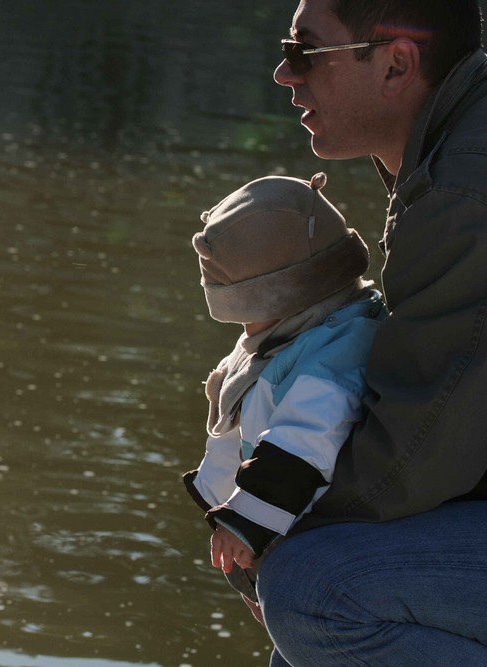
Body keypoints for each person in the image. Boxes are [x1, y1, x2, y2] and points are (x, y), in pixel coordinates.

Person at [258, 1, 487, 665]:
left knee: (314, 586)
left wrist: (263, 526)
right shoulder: (456, 145)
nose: (282, 73)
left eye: (306, 52)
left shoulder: (463, 192)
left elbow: (417, 447)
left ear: (396, 64)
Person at [183, 172, 384, 616]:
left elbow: (304, 438)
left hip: (291, 526)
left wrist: (245, 525)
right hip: (263, 528)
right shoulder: (297, 330)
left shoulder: (338, 352)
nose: (245, 332)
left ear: (284, 298)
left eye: (247, 316)